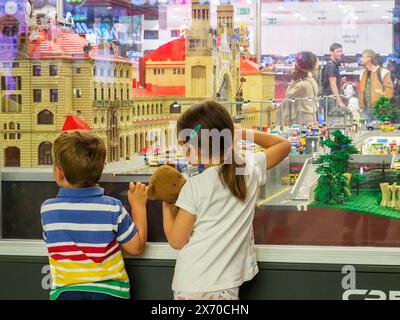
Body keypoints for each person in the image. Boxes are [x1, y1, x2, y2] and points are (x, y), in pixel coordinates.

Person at [163, 100, 291, 300]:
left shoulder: (194, 186)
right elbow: (284, 145)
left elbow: (177, 240)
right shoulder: (248, 168)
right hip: (227, 285)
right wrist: (241, 133)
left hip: (191, 283)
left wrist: (166, 203)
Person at [41, 130, 148, 300]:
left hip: (66, 292)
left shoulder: (48, 210)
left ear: (58, 172)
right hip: (110, 292)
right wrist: (139, 206)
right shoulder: (112, 207)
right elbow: (136, 247)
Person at [284, 51, 319, 126]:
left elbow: (288, 95)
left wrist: (294, 79)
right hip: (311, 116)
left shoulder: (302, 85)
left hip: (302, 118)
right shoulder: (312, 80)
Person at [358, 49, 394, 123]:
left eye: (363, 57)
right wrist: (360, 105)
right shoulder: (363, 73)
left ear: (369, 58)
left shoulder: (384, 72)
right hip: (364, 109)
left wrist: (381, 105)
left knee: (379, 132)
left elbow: (389, 91)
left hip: (378, 110)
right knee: (365, 132)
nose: (361, 59)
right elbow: (361, 91)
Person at [320, 43, 345, 121]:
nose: (340, 54)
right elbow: (333, 85)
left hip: (328, 97)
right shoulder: (331, 66)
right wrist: (340, 101)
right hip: (330, 98)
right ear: (331, 52)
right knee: (332, 123)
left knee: (329, 122)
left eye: (341, 51)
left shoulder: (333, 64)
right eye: (337, 51)